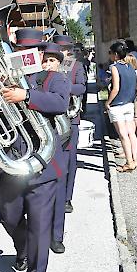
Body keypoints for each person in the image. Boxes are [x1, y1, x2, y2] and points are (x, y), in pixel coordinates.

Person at [0, 28, 70, 272]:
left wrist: (25, 95)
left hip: (43, 165)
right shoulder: (1, 80)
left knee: (40, 227)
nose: (24, 56)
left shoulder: (55, 79)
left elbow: (60, 103)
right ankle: (22, 248)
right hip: (9, 163)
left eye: (32, 51)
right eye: (19, 51)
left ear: (40, 54)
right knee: (9, 217)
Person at [52, 35, 86, 216]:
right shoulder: (48, 66)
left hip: (70, 119)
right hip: (51, 119)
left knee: (69, 160)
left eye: (61, 50)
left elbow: (81, 87)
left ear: (67, 51)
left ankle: (66, 198)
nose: (59, 53)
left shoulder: (75, 66)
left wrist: (63, 86)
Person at [105, 42, 137, 172]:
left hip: (117, 105)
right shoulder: (131, 66)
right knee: (132, 133)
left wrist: (107, 102)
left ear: (115, 54)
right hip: (129, 103)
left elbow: (116, 88)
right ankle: (134, 159)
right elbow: (136, 87)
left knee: (123, 135)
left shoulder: (114, 67)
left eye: (110, 52)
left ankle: (129, 162)